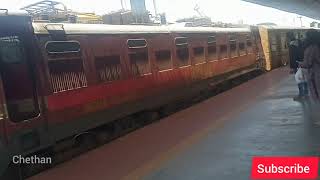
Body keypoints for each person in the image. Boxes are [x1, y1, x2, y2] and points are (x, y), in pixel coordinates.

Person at [300, 29, 320, 103]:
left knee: (317, 91)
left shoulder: (311, 48)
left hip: (315, 73)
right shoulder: (318, 46)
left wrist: (300, 64)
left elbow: (307, 63)